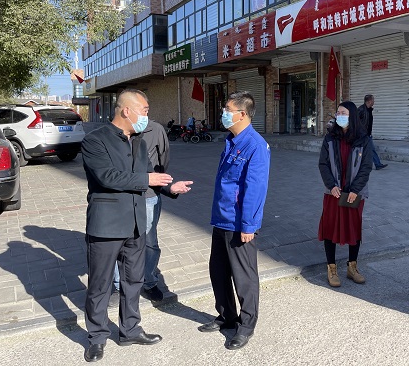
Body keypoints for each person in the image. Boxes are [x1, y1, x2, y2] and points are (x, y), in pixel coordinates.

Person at [81, 89, 192, 363]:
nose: (147, 116)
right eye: (144, 110)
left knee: (133, 281)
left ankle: (130, 330)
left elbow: (150, 175)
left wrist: (170, 188)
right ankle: (96, 337)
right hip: (106, 226)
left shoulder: (139, 142)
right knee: (100, 285)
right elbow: (107, 177)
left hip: (135, 225)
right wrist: (148, 180)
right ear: (126, 110)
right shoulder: (95, 140)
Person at [197, 91, 270, 351]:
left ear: (242, 114)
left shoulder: (255, 145)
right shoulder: (231, 140)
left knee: (244, 276)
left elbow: (255, 188)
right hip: (222, 218)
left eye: (228, 109)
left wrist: (249, 225)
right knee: (218, 271)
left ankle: (246, 325)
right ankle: (227, 316)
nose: (223, 113)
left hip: (239, 222)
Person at [111, 119, 172, 305]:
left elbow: (163, 159)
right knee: (120, 242)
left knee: (150, 242)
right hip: (122, 196)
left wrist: (158, 183)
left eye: (146, 109)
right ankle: (118, 286)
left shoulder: (156, 129)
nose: (144, 114)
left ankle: (149, 281)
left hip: (149, 195)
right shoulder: (114, 131)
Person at [319, 101, 373, 288]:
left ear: (352, 116)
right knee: (330, 227)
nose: (339, 116)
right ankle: (331, 268)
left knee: (353, 228)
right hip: (333, 192)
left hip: (354, 192)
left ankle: (352, 267)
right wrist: (331, 185)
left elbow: (366, 167)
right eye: (338, 113)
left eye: (343, 113)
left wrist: (355, 189)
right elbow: (323, 164)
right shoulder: (330, 138)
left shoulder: (363, 139)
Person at [358, 94, 387, 170]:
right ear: (369, 101)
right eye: (373, 100)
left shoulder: (369, 110)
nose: (374, 101)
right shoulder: (361, 109)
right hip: (362, 135)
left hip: (368, 134)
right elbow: (355, 121)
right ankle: (358, 165)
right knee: (362, 150)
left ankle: (377, 164)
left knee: (370, 149)